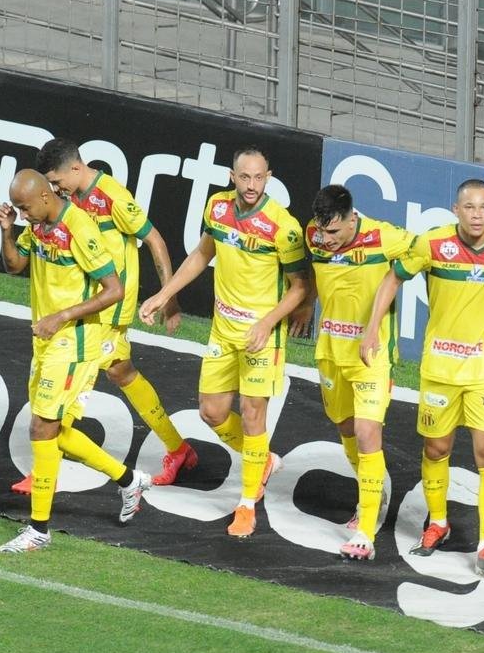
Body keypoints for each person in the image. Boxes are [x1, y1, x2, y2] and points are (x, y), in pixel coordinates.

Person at [361, 178, 484, 579]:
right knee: (437, 449)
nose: (476, 214)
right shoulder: (431, 245)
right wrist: (373, 328)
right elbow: (393, 278)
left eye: (483, 207)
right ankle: (438, 523)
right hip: (440, 369)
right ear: (456, 210)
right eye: (469, 207)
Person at [138, 147, 308, 539]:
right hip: (223, 330)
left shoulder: (283, 226)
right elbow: (202, 254)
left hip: (261, 336)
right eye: (244, 177)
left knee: (252, 415)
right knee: (211, 413)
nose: (251, 185)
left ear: (269, 177)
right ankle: (260, 459)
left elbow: (301, 286)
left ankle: (247, 503)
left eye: (259, 178)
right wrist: (164, 295)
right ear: (233, 176)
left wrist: (268, 323)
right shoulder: (217, 208)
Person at [25, 138, 197, 491]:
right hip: (93, 305)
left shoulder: (113, 197)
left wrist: (170, 299)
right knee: (122, 372)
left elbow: (155, 240)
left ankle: (46, 467)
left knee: (73, 382)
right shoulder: (69, 199)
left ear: (75, 168)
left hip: (108, 310)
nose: (55, 189)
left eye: (57, 181)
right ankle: (178, 448)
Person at [0, 168, 151, 553]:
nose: (23, 213)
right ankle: (130, 480)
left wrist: (62, 316)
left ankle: (39, 529)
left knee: (41, 428)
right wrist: (7, 230)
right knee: (53, 432)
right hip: (47, 341)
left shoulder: (79, 228)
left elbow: (113, 289)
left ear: (46, 197)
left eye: (25, 207)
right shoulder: (37, 226)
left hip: (75, 341)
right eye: (18, 208)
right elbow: (15, 266)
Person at [290, 185, 414, 561]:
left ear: (351, 218)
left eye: (334, 233)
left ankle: (365, 530)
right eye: (322, 232)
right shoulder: (313, 235)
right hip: (331, 350)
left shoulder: (384, 237)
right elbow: (309, 273)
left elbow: (434, 250)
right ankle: (371, 487)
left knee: (366, 431)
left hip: (371, 354)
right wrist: (308, 304)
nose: (325, 240)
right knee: (345, 426)